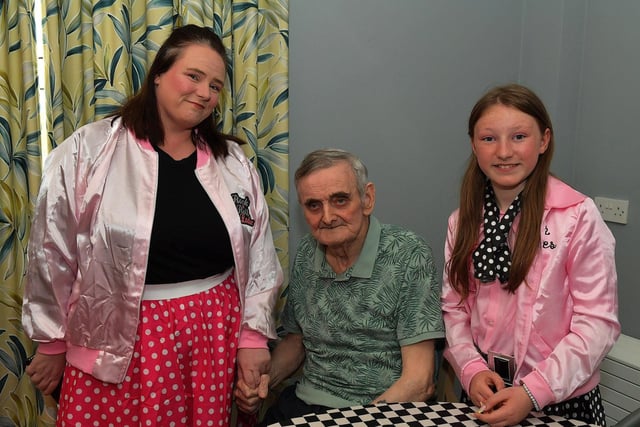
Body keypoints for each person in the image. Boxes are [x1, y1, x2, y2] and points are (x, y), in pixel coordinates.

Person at [22, 24, 283, 426]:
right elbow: (51, 250)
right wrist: (51, 342)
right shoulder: (89, 151)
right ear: (158, 73)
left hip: (210, 337)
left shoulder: (232, 163)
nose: (204, 93)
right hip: (113, 340)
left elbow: (260, 255)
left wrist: (253, 338)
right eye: (193, 76)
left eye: (215, 86)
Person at [442, 83, 620, 427]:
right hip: (485, 392)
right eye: (489, 138)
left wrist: (534, 390)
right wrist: (471, 369)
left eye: (519, 136)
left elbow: (597, 323)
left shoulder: (577, 216)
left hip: (560, 398)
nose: (504, 151)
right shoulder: (462, 221)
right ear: (473, 145)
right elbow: (454, 307)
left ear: (543, 140)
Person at [234, 148, 445, 425]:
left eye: (340, 200)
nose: (328, 216)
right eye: (313, 205)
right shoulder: (307, 253)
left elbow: (419, 381)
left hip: (384, 409)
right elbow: (297, 342)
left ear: (367, 198)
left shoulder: (408, 254)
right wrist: (260, 383)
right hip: (305, 404)